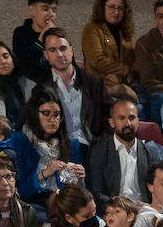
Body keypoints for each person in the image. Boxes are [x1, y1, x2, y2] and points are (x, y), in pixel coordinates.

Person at [32, 27, 110, 158]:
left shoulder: (94, 83)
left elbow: (109, 117)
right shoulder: (40, 89)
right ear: (46, 55)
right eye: (52, 50)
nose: (59, 54)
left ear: (71, 50)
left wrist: (100, 145)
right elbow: (37, 126)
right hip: (60, 151)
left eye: (63, 48)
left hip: (93, 148)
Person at [86, 96, 159, 205]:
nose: (128, 123)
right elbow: (96, 193)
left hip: (144, 209)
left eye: (132, 118)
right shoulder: (98, 152)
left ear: (138, 121)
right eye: (121, 118)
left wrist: (149, 207)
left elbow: (157, 190)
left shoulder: (151, 152)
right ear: (112, 122)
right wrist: (121, 207)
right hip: (113, 208)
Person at [12, 90, 79, 202]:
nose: (52, 120)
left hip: (61, 202)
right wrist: (45, 173)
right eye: (46, 113)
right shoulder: (19, 141)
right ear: (34, 114)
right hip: (30, 202)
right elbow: (17, 191)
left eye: (56, 115)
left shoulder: (70, 144)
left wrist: (80, 180)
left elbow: (77, 192)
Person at [81, 0, 134, 90]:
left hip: (123, 84)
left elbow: (133, 60)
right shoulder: (92, 29)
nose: (116, 12)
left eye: (120, 8)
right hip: (98, 84)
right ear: (102, 7)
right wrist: (125, 70)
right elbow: (98, 60)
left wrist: (123, 76)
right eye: (112, 7)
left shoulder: (126, 32)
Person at [12, 0, 58, 83]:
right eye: (45, 9)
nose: (51, 14)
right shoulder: (21, 33)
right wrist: (42, 39)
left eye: (54, 10)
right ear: (32, 10)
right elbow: (25, 66)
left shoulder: (59, 36)